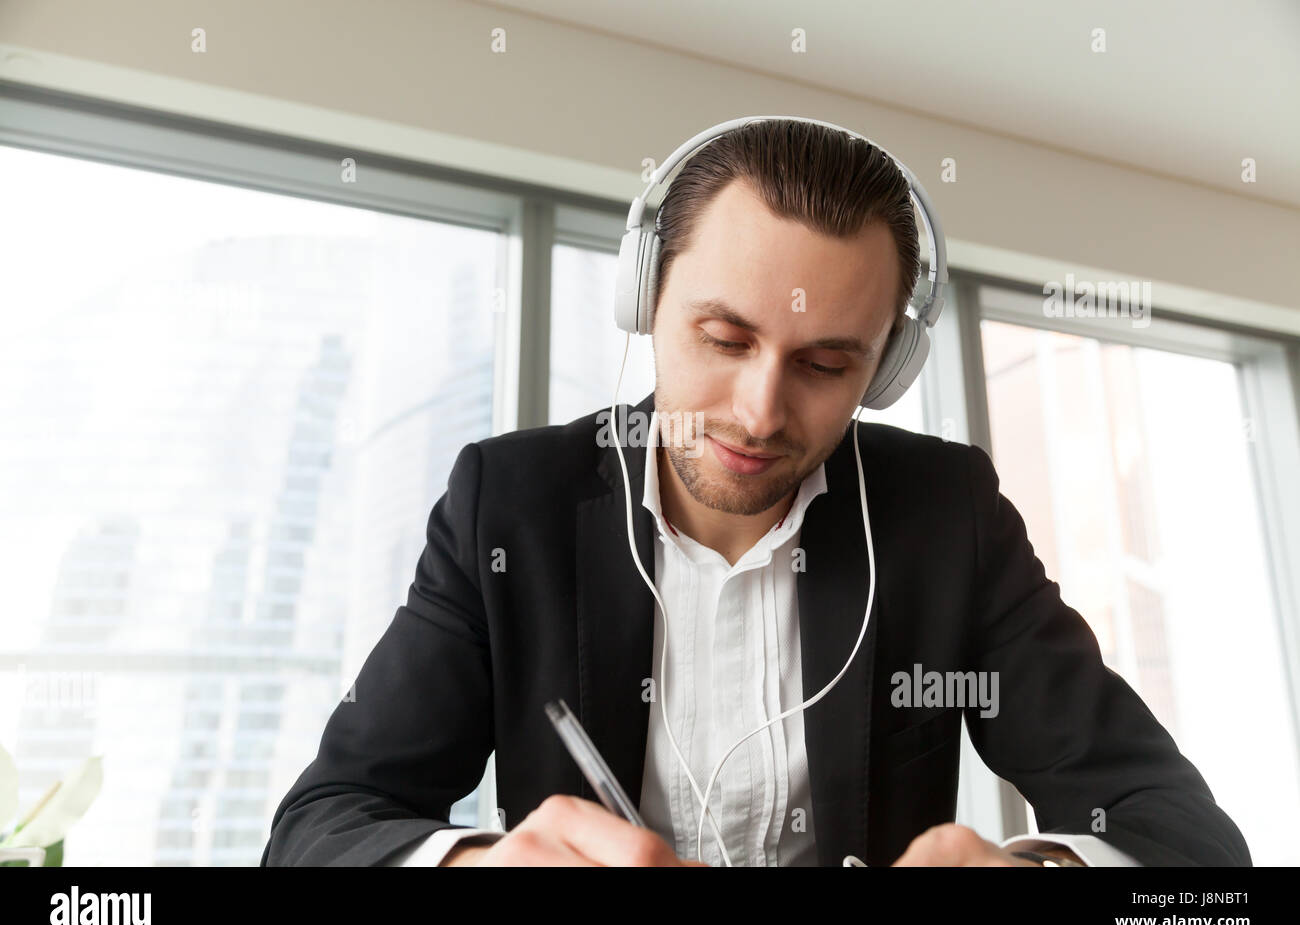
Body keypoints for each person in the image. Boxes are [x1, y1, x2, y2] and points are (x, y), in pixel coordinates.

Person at [261, 118, 1250, 867]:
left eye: (825, 362)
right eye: (724, 338)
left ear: (887, 366)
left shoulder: (948, 517)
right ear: (644, 298)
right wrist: (470, 862)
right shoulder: (506, 503)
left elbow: (1185, 837)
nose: (759, 411)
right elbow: (323, 824)